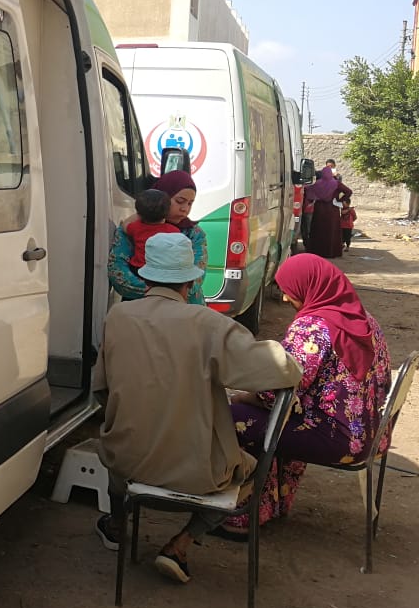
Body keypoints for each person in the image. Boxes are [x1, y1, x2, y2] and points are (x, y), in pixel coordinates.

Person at [92, 234, 303, 583]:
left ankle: (116, 524)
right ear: (190, 282)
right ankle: (181, 543)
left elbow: (101, 389)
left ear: (144, 277)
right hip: (198, 475)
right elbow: (279, 369)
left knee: (118, 445)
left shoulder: (118, 316)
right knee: (253, 470)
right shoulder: (208, 324)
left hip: (126, 464)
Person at [217, 254, 392, 537]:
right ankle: (273, 503)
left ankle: (245, 516)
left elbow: (276, 392)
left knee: (231, 417)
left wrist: (241, 397)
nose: (286, 298)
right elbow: (383, 383)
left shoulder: (311, 328)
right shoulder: (364, 321)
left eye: (290, 290)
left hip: (336, 439)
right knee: (285, 416)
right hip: (370, 435)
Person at [108, 170, 208, 305]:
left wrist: (155, 291)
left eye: (190, 203)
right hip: (142, 310)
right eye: (180, 201)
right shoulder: (132, 229)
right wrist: (166, 292)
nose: (185, 209)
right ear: (162, 198)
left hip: (186, 310)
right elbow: (118, 273)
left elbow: (197, 278)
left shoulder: (194, 234)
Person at [124, 188, 179, 269]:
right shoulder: (174, 231)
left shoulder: (135, 227)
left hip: (138, 267)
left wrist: (138, 214)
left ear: (139, 214)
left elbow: (125, 225)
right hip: (161, 269)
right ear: (167, 213)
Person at [304, 165, 351, 258]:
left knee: (319, 230)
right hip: (332, 209)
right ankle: (332, 252)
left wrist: (312, 200)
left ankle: (318, 252)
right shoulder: (336, 183)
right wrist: (340, 200)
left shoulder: (317, 184)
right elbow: (349, 191)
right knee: (331, 231)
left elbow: (307, 191)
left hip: (319, 209)